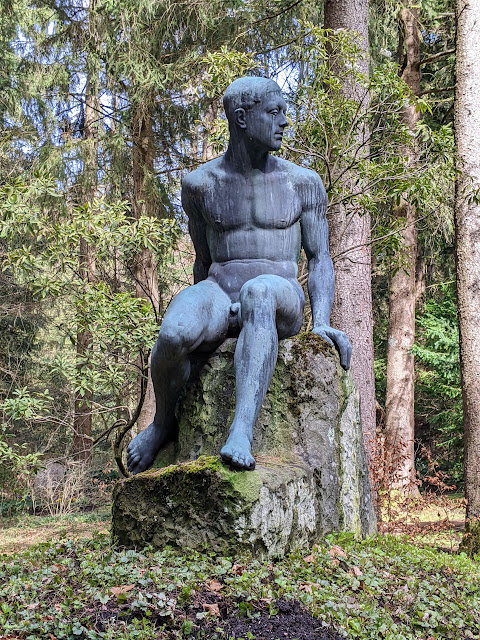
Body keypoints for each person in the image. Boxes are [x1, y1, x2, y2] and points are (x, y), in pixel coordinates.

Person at [127, 76, 351, 474]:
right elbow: (202, 259)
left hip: (278, 297)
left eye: (285, 111)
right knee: (175, 331)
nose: (285, 121)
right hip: (219, 289)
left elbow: (319, 259)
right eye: (275, 112)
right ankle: (163, 423)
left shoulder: (303, 183)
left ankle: (242, 431)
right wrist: (201, 321)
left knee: (258, 292)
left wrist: (324, 323)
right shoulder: (200, 184)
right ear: (243, 118)